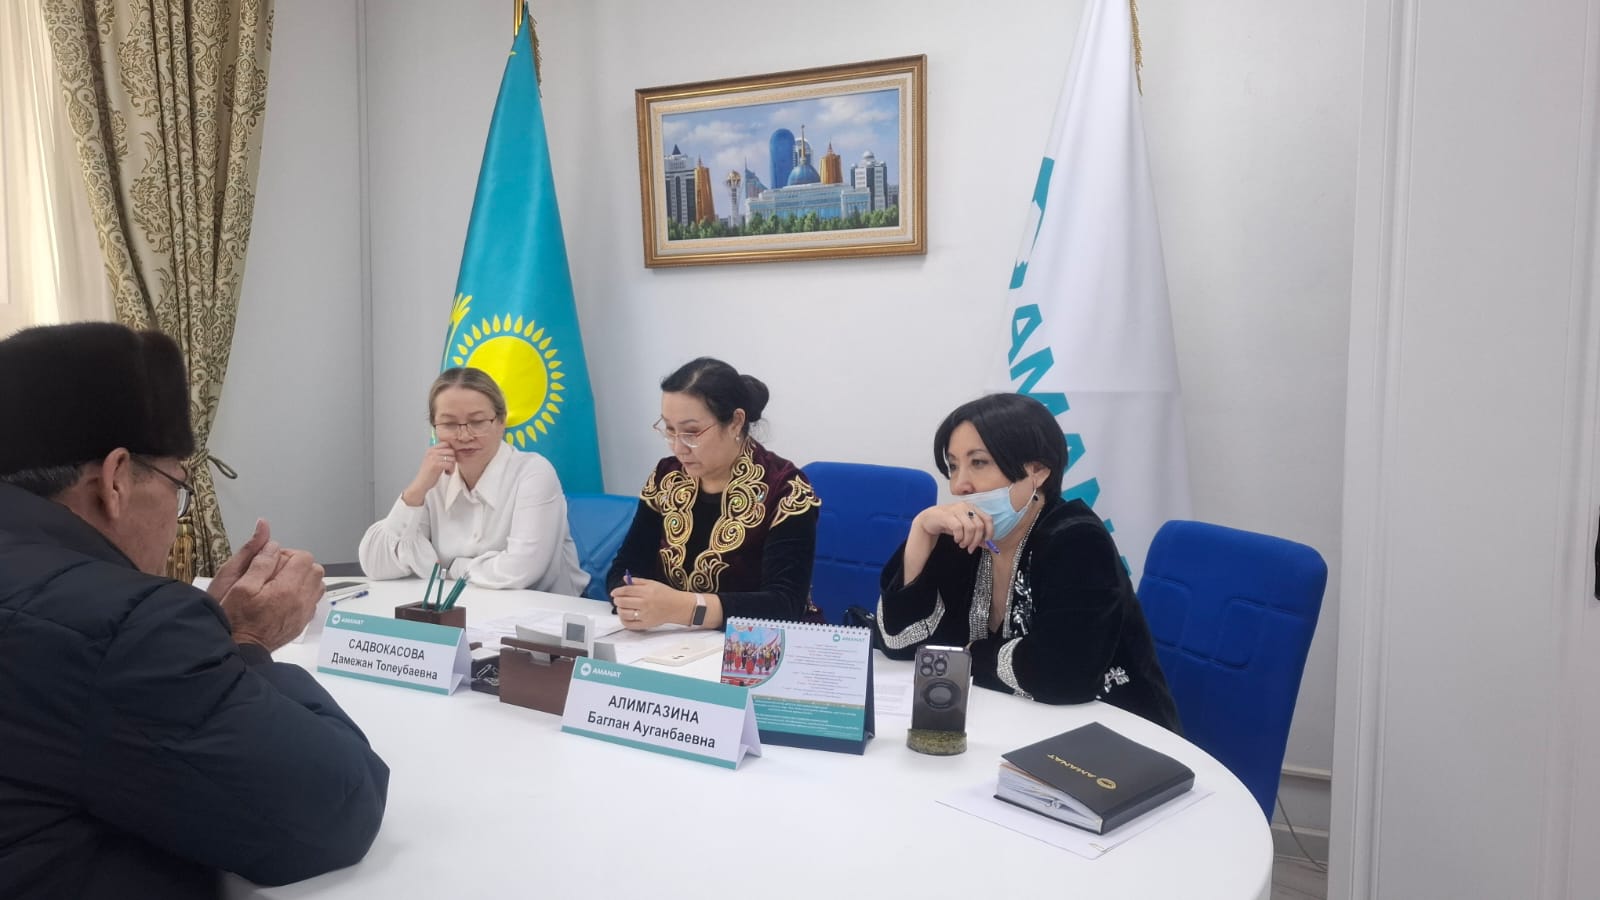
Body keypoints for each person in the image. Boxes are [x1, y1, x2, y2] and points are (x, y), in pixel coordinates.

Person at [0, 323, 390, 898]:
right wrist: (246, 643)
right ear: (114, 480)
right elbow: (332, 809)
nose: (176, 516)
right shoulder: (124, 627)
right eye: (177, 486)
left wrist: (199, 641)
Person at [876, 393, 1181, 731]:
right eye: (953, 466)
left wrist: (968, 653)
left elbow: (1063, 675)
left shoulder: (1076, 539)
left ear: (1037, 471)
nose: (960, 485)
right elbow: (899, 644)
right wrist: (921, 531)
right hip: (1004, 723)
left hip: (1110, 733)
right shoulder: (962, 534)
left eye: (979, 463)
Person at [607, 357, 820, 630]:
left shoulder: (785, 488)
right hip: (672, 641)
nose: (678, 448)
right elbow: (624, 568)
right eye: (670, 430)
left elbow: (784, 605)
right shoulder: (667, 477)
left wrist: (683, 608)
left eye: (691, 433)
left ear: (735, 422)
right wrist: (631, 599)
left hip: (764, 646)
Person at [359, 367, 588, 596]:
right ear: (435, 428)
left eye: (477, 422)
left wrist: (451, 568)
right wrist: (416, 490)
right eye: (449, 424)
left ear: (501, 422)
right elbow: (376, 564)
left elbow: (521, 571)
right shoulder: (435, 478)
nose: (464, 436)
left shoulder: (533, 473)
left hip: (542, 613)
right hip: (462, 610)